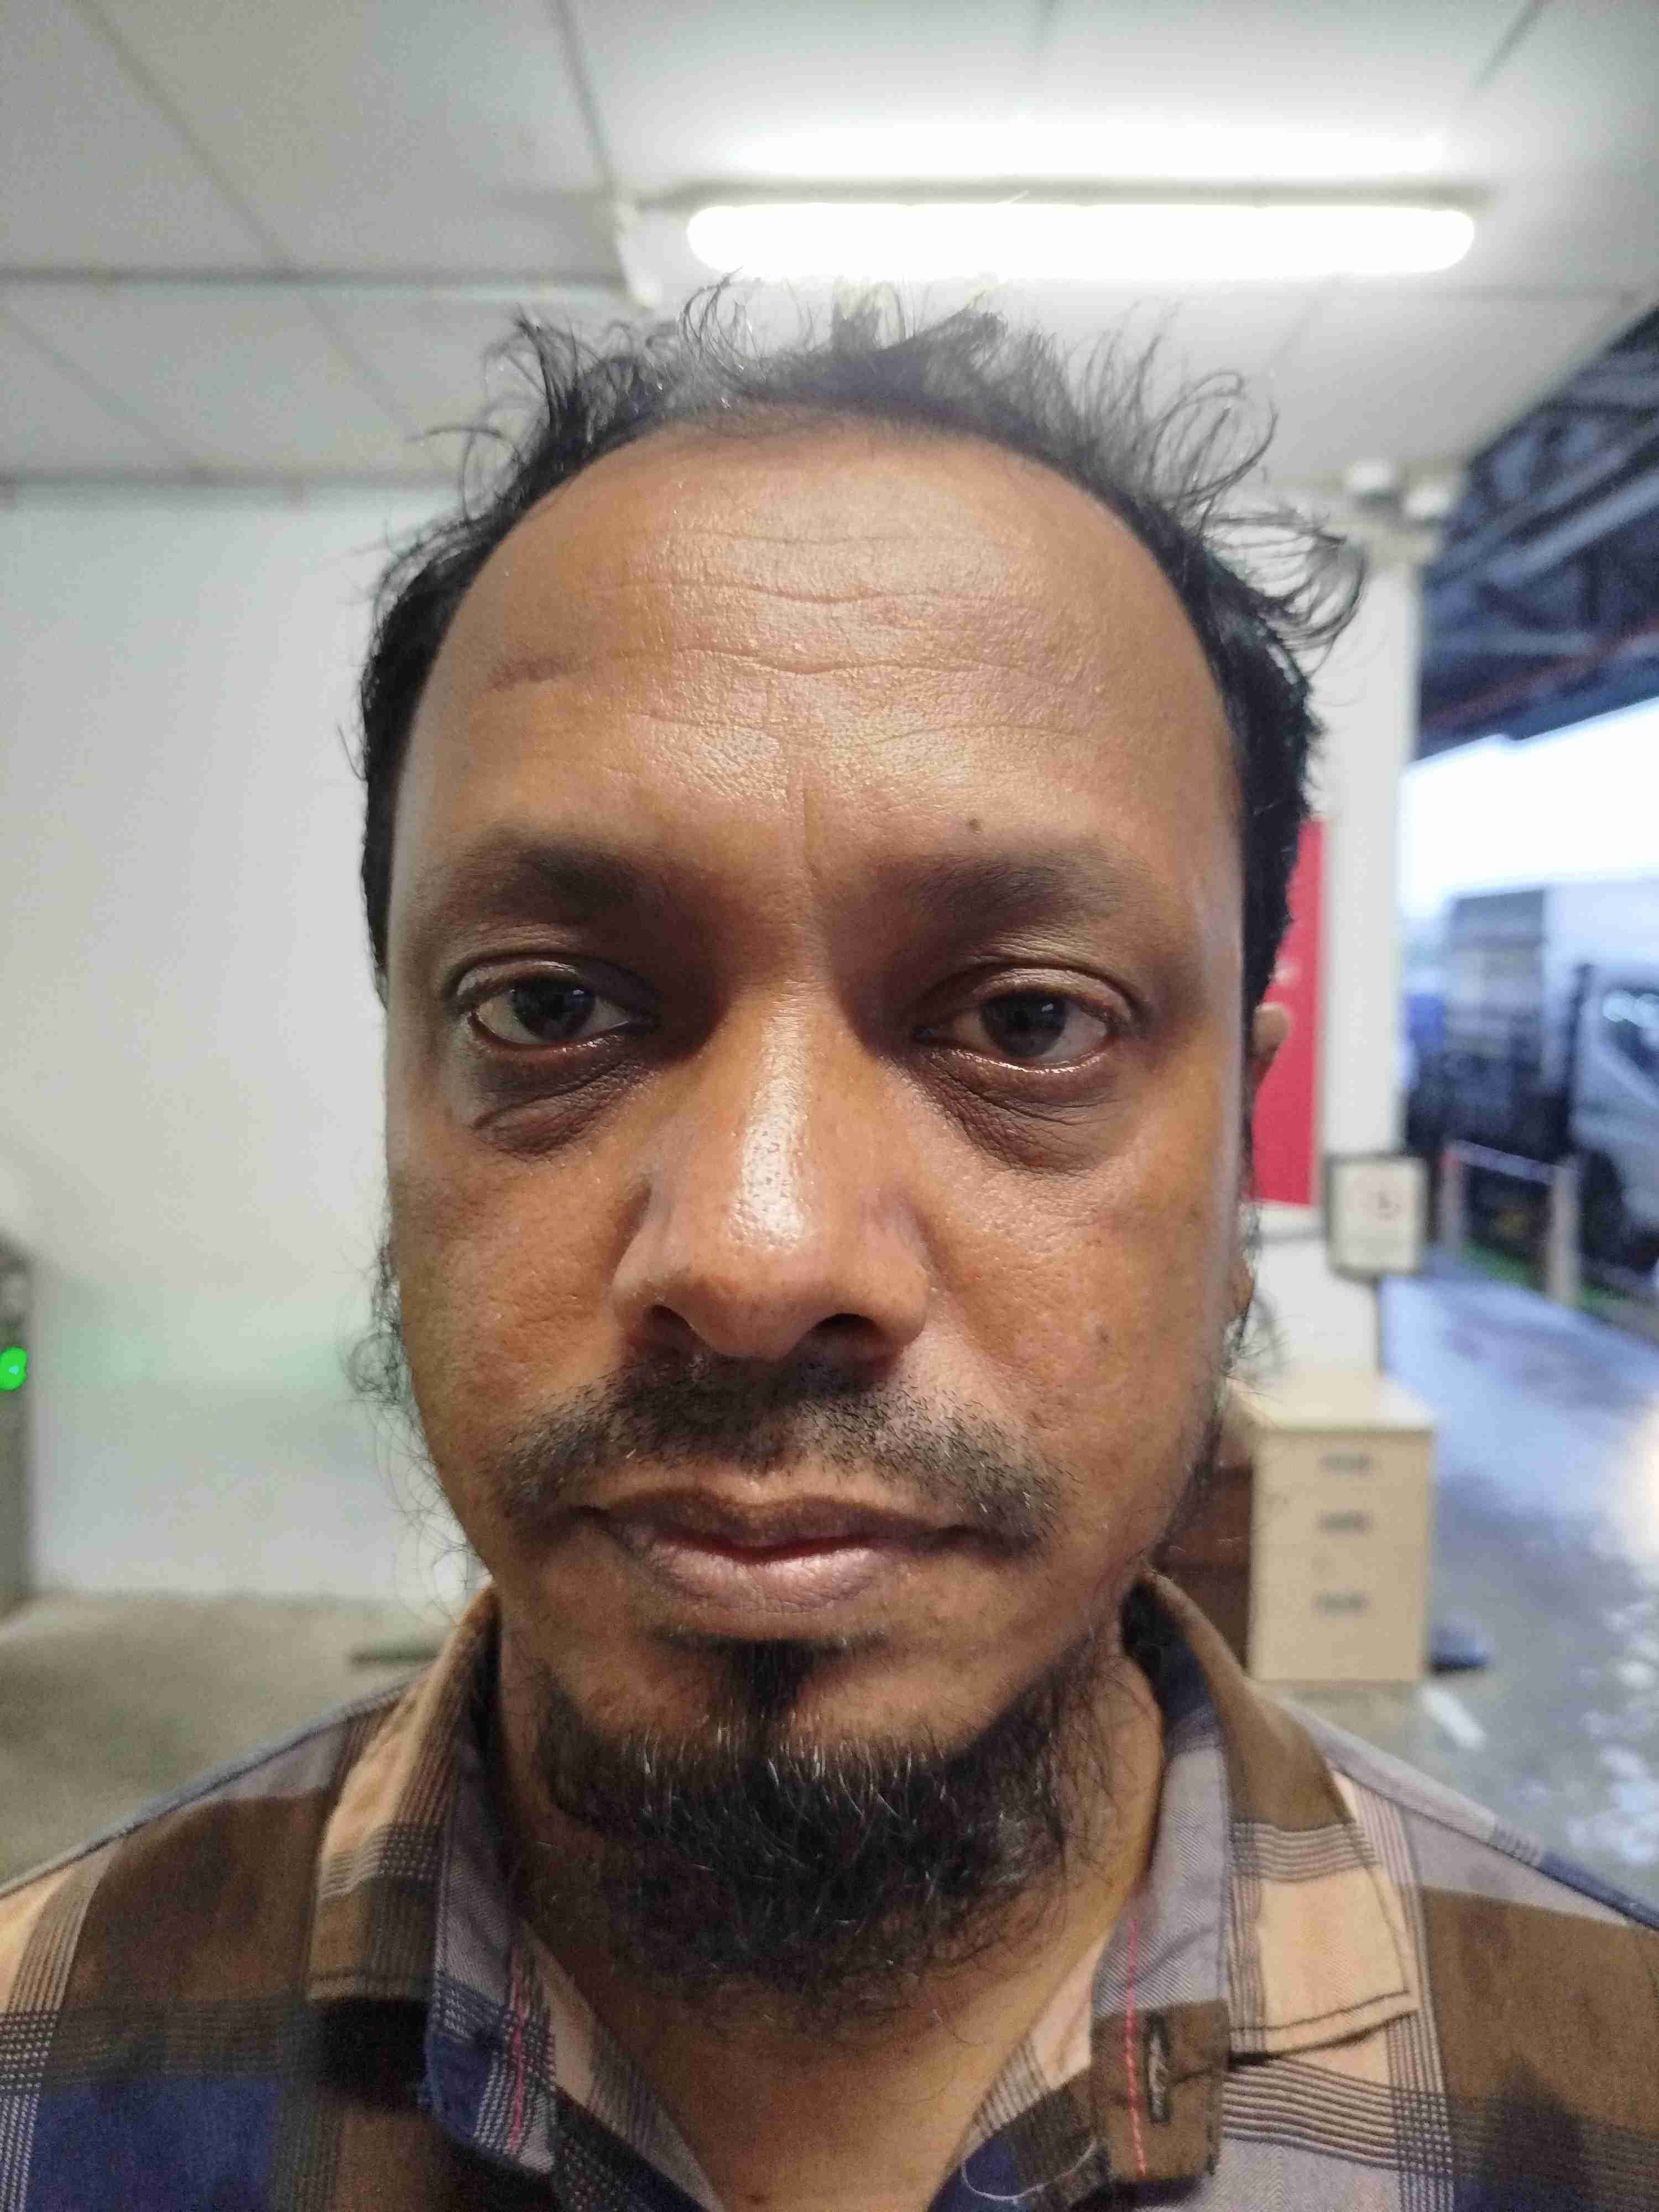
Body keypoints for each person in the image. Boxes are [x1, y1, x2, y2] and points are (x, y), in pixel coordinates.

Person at [2, 294, 1654, 2210]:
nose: (759, 1255)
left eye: (1030, 1021)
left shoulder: (1603, 2101)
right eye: (549, 1008)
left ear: (1232, 1171)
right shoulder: (45, 2072)